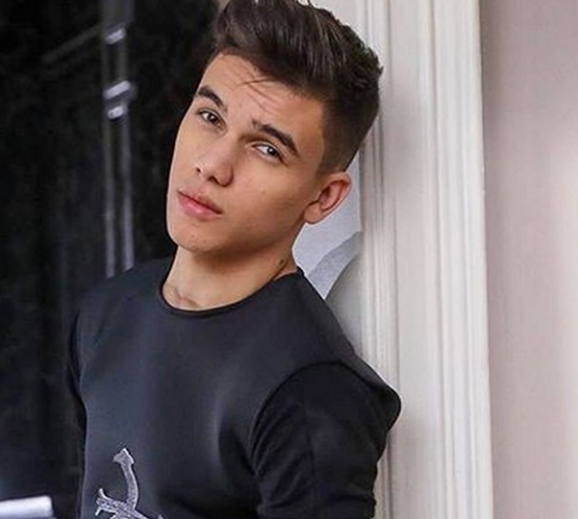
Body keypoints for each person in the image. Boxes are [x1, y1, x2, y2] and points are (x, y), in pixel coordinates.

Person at [67, 1, 401, 517]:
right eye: (210, 117)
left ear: (324, 197)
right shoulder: (106, 313)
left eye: (267, 149)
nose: (213, 165)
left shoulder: (311, 388)